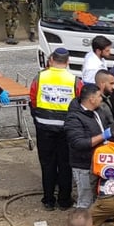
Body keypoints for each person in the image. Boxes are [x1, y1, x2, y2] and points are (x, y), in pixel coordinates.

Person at [31, 47, 79, 210]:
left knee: (47, 164)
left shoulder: (40, 77)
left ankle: (48, 200)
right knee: (65, 164)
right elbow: (79, 104)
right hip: (66, 130)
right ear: (68, 62)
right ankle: (64, 200)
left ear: (51, 60)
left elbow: (33, 99)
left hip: (44, 128)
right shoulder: (74, 80)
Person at [65, 84, 111, 208]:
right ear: (91, 99)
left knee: (95, 199)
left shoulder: (97, 112)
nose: (102, 99)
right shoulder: (74, 118)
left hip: (97, 164)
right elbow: (78, 143)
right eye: (99, 96)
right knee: (85, 200)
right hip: (83, 166)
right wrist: (103, 136)